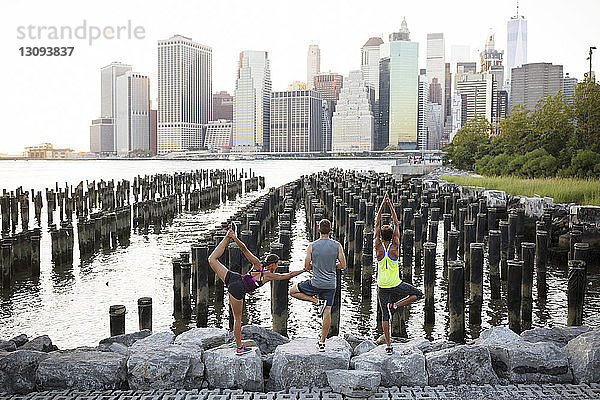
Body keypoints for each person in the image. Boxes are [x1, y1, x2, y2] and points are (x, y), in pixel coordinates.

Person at [208, 228, 307, 355]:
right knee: (237, 319)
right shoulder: (267, 276)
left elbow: (244, 249)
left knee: (212, 259)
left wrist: (234, 238)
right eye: (277, 264)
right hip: (237, 289)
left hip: (233, 278)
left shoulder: (257, 264)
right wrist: (303, 270)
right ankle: (239, 347)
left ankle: (228, 236)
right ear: (274, 264)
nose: (277, 266)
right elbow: (287, 275)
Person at [375, 192, 423, 355]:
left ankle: (389, 345)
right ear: (392, 236)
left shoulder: (378, 248)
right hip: (396, 284)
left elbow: (376, 224)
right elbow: (396, 223)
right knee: (417, 294)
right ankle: (395, 305)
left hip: (382, 285)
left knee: (385, 316)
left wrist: (382, 205)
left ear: (381, 236)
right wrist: (391, 206)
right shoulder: (395, 247)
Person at [289, 218, 346, 351]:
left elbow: (306, 266)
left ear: (318, 230)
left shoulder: (312, 246)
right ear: (331, 230)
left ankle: (315, 301)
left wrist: (316, 265)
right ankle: (322, 342)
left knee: (292, 291)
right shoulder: (337, 245)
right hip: (331, 284)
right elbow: (343, 265)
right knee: (327, 312)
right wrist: (332, 266)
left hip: (316, 283)